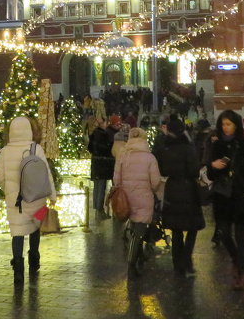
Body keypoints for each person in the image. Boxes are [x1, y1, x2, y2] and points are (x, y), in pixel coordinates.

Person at [207, 110, 244, 290]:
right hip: (222, 195)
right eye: (223, 124)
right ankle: (235, 259)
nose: (225, 128)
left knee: (241, 235)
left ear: (236, 125)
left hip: (240, 195)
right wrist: (213, 166)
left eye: (229, 124)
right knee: (223, 232)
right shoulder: (216, 146)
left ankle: (241, 271)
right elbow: (209, 173)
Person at [0, 116, 54, 285]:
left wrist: (7, 190)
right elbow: (46, 174)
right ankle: (34, 258)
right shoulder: (36, 148)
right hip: (36, 196)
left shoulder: (6, 151)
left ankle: (18, 268)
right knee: (35, 227)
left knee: (17, 232)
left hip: (15, 200)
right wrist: (52, 195)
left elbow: (1, 176)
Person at [154, 117, 204, 277]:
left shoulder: (165, 147)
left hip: (172, 189)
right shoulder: (187, 147)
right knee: (192, 227)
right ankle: (187, 260)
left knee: (176, 230)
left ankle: (177, 264)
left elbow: (162, 169)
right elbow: (195, 170)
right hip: (188, 190)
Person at [114, 127, 161, 278]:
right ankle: (131, 264)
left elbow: (116, 178)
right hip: (143, 197)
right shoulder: (149, 158)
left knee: (135, 228)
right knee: (140, 229)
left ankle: (138, 257)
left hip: (126, 198)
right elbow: (155, 182)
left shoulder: (123, 155)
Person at [87, 116, 116, 218]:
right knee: (101, 187)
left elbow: (89, 148)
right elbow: (106, 149)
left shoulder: (93, 134)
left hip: (95, 163)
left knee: (97, 187)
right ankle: (100, 210)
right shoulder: (103, 135)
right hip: (103, 164)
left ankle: (97, 209)